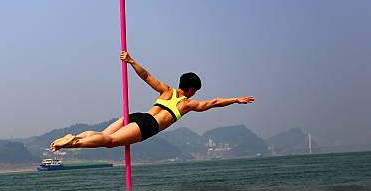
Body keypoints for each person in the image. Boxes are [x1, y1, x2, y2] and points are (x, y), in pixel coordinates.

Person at [50, 52, 255, 152]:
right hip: (148, 125)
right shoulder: (186, 104)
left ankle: (75, 137)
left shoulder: (166, 90)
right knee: (110, 143)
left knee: (104, 135)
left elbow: (146, 76)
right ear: (191, 90)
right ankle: (72, 142)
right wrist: (236, 100)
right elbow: (214, 102)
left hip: (139, 115)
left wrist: (131, 61)